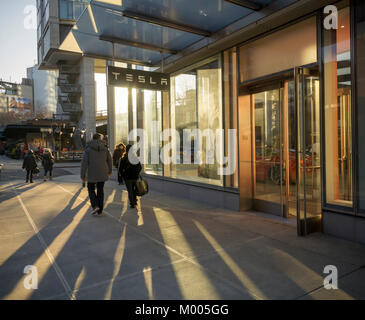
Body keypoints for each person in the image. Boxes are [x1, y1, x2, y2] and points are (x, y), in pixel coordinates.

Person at [81, 133, 112, 216]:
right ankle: (100, 210)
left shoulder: (88, 149)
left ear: (92, 139)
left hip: (91, 173)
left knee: (91, 188)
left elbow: (84, 163)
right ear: (100, 138)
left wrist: (82, 176)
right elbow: (109, 160)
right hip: (103, 172)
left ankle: (95, 206)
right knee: (100, 190)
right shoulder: (105, 148)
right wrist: (109, 171)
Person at [118, 144, 142, 209]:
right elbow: (140, 167)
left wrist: (123, 176)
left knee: (130, 190)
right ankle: (134, 201)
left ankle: (132, 203)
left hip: (127, 177)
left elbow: (120, 169)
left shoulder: (123, 158)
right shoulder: (135, 157)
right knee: (134, 189)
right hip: (134, 177)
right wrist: (137, 173)